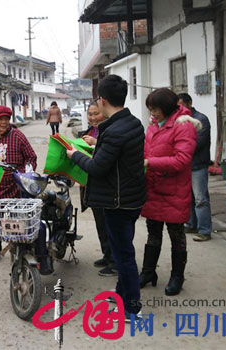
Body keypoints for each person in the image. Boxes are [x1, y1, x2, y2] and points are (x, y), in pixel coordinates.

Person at [66, 74, 146, 321]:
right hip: (131, 197)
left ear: (102, 100)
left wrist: (74, 155)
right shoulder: (133, 122)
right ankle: (123, 294)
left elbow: (97, 167)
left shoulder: (114, 131)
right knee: (124, 251)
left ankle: (131, 308)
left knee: (124, 255)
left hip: (118, 201)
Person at [139, 88, 199, 296]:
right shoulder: (153, 125)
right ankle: (148, 272)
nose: (152, 113)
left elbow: (182, 160)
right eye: (150, 109)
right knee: (153, 233)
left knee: (176, 236)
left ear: (165, 108)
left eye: (155, 109)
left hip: (174, 191)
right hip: (154, 187)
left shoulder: (184, 126)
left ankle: (177, 277)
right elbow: (147, 150)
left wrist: (149, 162)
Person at [0, 106, 38, 266]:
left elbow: (31, 157)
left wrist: (24, 175)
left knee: (17, 217)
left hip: (14, 185)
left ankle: (20, 246)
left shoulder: (17, 136)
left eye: (6, 119)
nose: (4, 122)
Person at [79, 101, 116, 277]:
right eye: (90, 114)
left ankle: (114, 261)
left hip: (106, 186)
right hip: (92, 183)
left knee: (110, 224)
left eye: (96, 113)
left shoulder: (108, 132)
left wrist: (95, 142)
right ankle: (107, 255)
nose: (93, 117)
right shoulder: (89, 131)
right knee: (100, 222)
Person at [177, 93, 212, 242]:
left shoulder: (200, 119)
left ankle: (204, 230)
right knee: (188, 197)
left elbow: (196, 144)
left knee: (200, 198)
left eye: (181, 105)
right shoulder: (179, 120)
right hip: (186, 165)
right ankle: (191, 224)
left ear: (189, 103)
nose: (180, 108)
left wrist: (179, 147)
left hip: (198, 165)